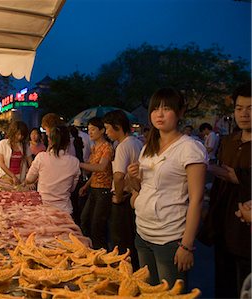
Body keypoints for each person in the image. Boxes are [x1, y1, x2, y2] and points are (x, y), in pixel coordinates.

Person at [127, 87, 207, 287]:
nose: (159, 114)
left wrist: (187, 246)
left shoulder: (189, 148)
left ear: (180, 112)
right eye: (155, 109)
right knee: (148, 290)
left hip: (170, 237)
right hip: (143, 233)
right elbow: (141, 188)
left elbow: (196, 200)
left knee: (170, 292)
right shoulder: (148, 147)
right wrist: (133, 177)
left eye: (166, 108)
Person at [199, 82, 251, 298]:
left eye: (250, 108)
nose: (244, 114)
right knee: (223, 283)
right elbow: (221, 180)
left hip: (246, 229)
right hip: (223, 225)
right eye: (239, 108)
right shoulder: (228, 141)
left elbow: (231, 175)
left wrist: (235, 175)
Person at [103, 109, 143, 270]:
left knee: (121, 243)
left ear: (118, 126)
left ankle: (125, 278)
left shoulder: (123, 146)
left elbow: (119, 176)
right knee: (131, 242)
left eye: (107, 128)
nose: (107, 132)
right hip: (133, 196)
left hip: (124, 198)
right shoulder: (137, 142)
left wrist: (118, 197)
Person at [24, 126, 80, 214]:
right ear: (68, 142)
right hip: (64, 210)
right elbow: (72, 188)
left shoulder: (41, 157)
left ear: (49, 140)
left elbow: (29, 179)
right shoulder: (75, 162)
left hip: (44, 209)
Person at [78, 117, 114, 250]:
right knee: (84, 219)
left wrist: (79, 164)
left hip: (104, 190)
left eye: (93, 129)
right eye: (89, 130)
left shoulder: (107, 148)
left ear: (102, 130)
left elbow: (101, 167)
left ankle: (101, 254)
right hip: (93, 188)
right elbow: (94, 171)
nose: (90, 133)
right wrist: (86, 186)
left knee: (97, 225)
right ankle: (90, 250)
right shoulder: (94, 147)